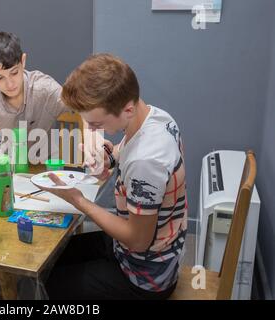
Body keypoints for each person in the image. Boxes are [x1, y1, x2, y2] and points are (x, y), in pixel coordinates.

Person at [40, 54, 188, 300]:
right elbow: (126, 149)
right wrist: (109, 155)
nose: (94, 130)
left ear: (127, 109)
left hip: (145, 277)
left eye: (96, 123)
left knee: (50, 283)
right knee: (49, 257)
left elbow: (138, 240)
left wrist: (78, 200)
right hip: (139, 252)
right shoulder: (154, 116)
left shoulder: (146, 160)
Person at [0, 31, 68, 156]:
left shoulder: (44, 88)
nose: (10, 84)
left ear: (23, 61)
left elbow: (81, 105)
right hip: (8, 165)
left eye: (14, 72)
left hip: (44, 166)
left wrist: (91, 136)